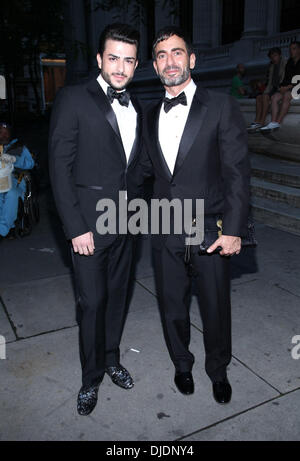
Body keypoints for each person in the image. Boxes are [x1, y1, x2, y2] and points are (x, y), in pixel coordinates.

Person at [140, 27, 250, 404]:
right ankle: (181, 364)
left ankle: (217, 370)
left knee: (216, 306)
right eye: (161, 55)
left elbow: (237, 172)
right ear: (155, 65)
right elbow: (141, 172)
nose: (170, 61)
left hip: (210, 229)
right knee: (172, 304)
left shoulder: (220, 106)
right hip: (165, 226)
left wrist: (234, 229)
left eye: (177, 53)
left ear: (191, 59)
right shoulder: (149, 113)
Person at [49, 23, 142, 416]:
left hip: (128, 224)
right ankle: (91, 380)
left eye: (129, 60)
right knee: (92, 304)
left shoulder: (135, 104)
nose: (121, 67)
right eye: (114, 58)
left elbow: (132, 168)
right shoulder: (73, 98)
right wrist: (75, 228)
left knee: (117, 300)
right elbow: (59, 167)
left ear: (136, 65)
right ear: (101, 59)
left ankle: (111, 358)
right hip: (89, 227)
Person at [0, 122, 34, 238]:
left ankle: (2, 230)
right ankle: (7, 227)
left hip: (15, 180)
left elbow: (31, 164)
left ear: (10, 134)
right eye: (1, 133)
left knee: (11, 194)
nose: (3, 135)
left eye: (6, 133)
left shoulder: (19, 147)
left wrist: (15, 160)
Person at [261, 41, 300, 132]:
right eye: (290, 49)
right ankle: (273, 122)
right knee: (275, 97)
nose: (291, 51)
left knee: (286, 95)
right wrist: (282, 87)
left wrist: (287, 87)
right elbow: (286, 77)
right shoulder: (290, 62)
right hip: (290, 87)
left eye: (294, 49)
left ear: (299, 50)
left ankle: (278, 122)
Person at [248, 47, 287, 132]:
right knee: (259, 97)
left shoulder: (285, 63)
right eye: (271, 57)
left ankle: (262, 122)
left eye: (275, 56)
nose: (273, 58)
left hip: (281, 88)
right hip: (273, 88)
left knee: (265, 97)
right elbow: (269, 83)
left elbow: (285, 79)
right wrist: (265, 92)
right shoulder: (272, 66)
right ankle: (257, 121)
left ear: (279, 55)